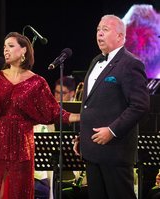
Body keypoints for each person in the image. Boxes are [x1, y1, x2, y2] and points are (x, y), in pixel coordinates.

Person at [0, 31, 80, 199]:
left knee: (19, 192)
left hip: (22, 145)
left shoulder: (37, 82)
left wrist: (78, 116)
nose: (6, 50)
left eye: (11, 46)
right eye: (5, 47)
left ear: (24, 50)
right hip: (0, 144)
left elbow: (53, 111)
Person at [73, 14, 150, 199]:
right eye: (98, 29)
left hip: (115, 151)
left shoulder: (130, 64)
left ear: (120, 36)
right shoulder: (95, 61)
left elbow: (140, 105)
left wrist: (112, 131)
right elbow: (91, 106)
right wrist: (81, 136)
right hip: (92, 150)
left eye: (105, 30)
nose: (99, 33)